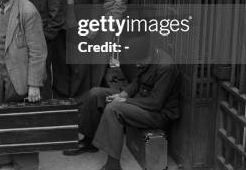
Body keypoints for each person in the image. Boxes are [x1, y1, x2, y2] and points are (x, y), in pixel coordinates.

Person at [62, 33, 180, 170]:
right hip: (141, 99)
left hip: (159, 113)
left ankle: (113, 165)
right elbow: (138, 81)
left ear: (149, 55)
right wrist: (124, 93)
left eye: (139, 62)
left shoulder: (166, 67)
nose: (137, 65)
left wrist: (124, 100)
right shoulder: (147, 55)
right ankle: (89, 141)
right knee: (96, 94)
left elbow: (156, 103)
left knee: (114, 108)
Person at [0, 0, 47, 170]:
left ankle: (26, 164)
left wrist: (34, 84)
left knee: (22, 120)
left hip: (19, 73)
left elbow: (38, 50)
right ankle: (3, 158)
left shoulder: (27, 11)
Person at [19, 0, 66, 99]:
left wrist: (42, 39)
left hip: (43, 42)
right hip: (25, 39)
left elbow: (57, 19)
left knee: (42, 81)